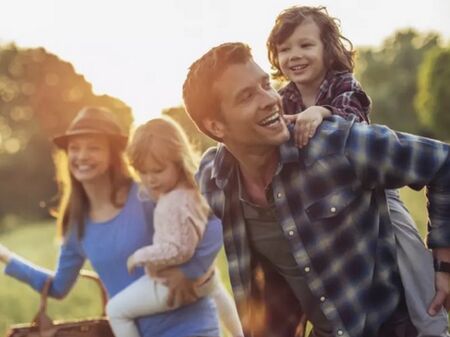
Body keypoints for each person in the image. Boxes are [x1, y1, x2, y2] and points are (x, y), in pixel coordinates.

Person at [182, 42, 450, 337]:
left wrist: (444, 261)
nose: (270, 100)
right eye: (247, 96)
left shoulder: (333, 145)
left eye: (265, 85)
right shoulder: (215, 179)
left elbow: (443, 164)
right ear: (216, 126)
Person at [266, 5, 448, 336]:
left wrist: (321, 111)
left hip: (372, 190)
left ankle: (432, 322)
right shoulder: (282, 100)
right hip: (318, 200)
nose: (294, 55)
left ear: (327, 48)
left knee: (406, 245)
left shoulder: (344, 84)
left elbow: (353, 123)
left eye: (305, 45)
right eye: (284, 49)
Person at [0, 106, 221, 337]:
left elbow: (213, 220)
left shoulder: (145, 194)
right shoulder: (76, 225)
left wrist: (191, 269)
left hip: (190, 326)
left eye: (93, 148)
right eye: (75, 148)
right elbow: (58, 287)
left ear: (113, 155)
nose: (82, 156)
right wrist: (6, 257)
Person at [106, 117, 243, 337]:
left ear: (178, 162)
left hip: (170, 285)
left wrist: (140, 256)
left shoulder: (172, 203)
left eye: (157, 170)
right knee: (217, 289)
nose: (149, 180)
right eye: (143, 171)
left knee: (116, 310)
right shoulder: (195, 190)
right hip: (205, 280)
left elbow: (177, 250)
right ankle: (241, 333)